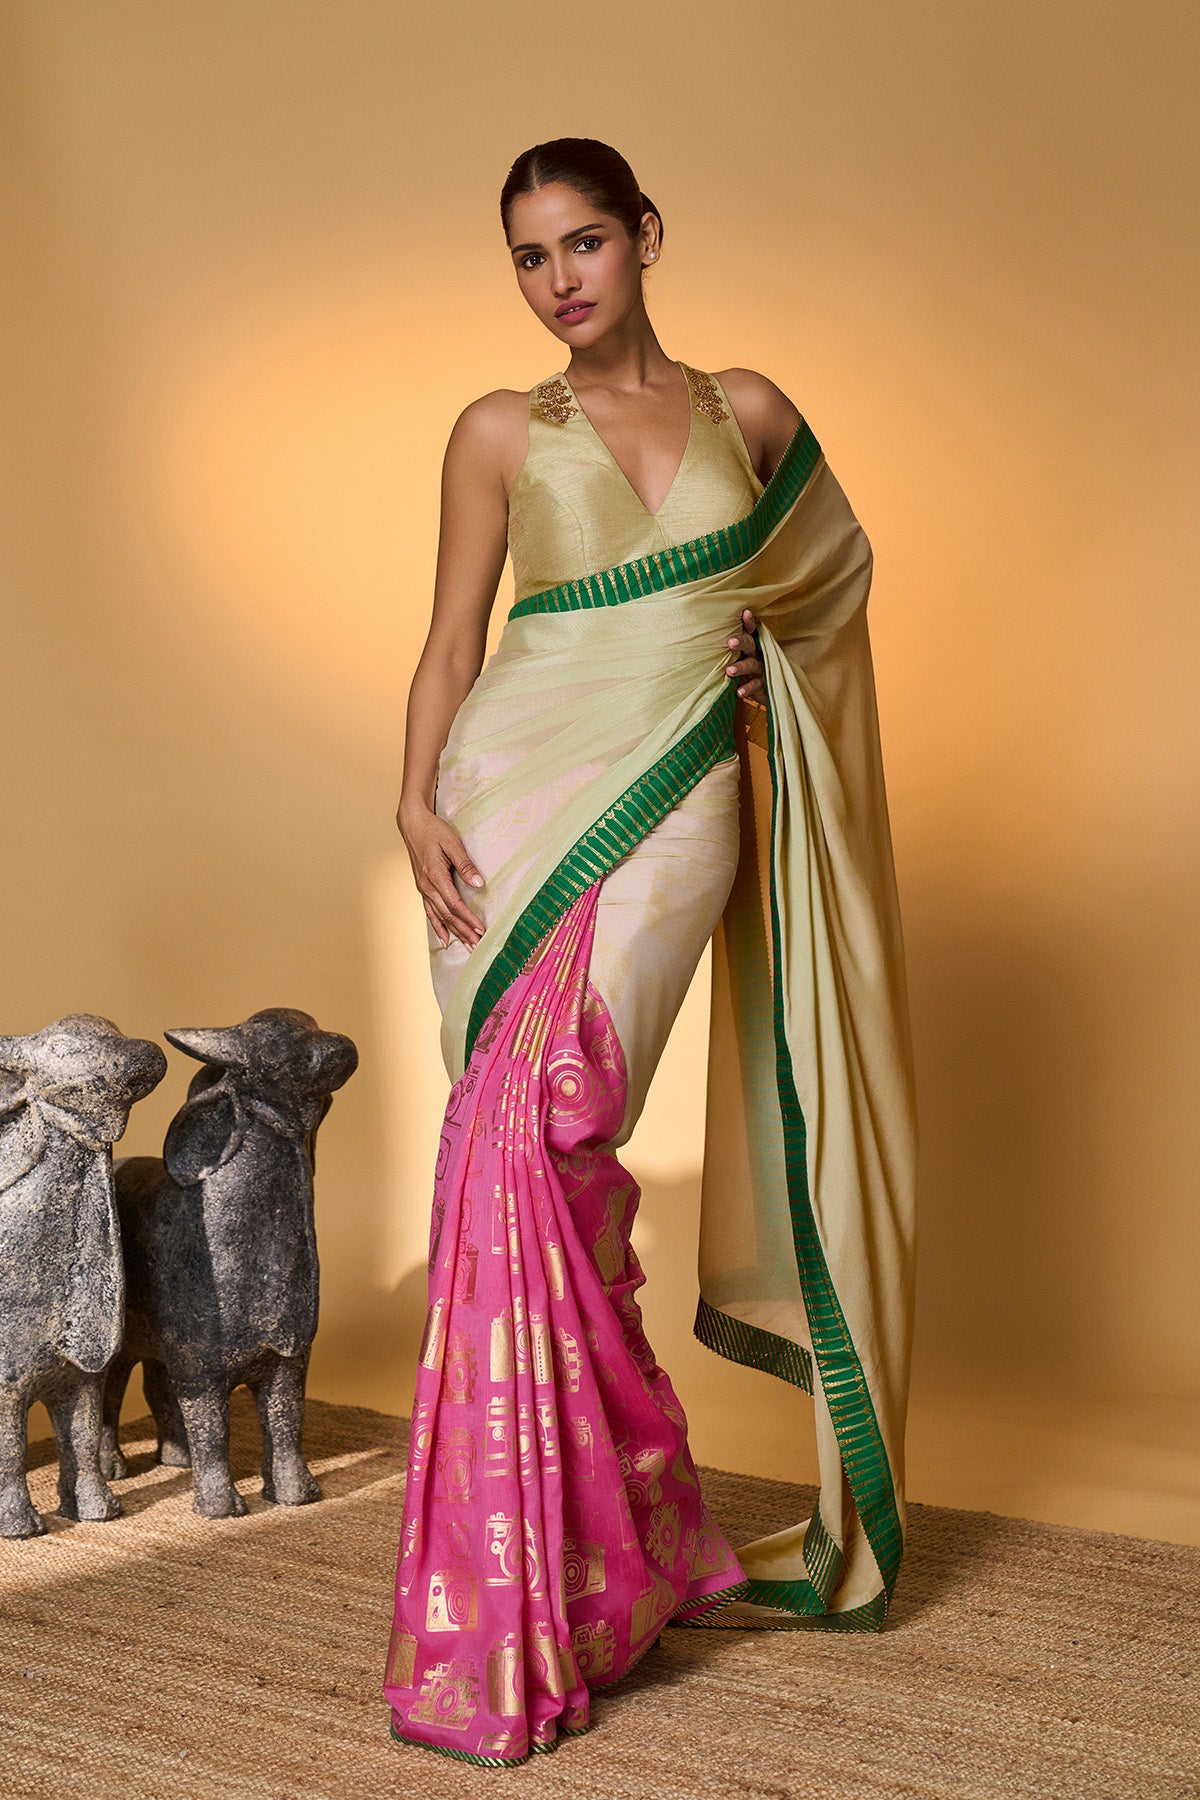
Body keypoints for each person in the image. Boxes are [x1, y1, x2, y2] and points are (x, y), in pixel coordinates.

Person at [384, 136, 918, 1768]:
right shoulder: (495, 429)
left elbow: (830, 586)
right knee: (509, 1153)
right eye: (531, 255)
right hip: (512, 792)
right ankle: (585, 1563)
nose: (560, 279)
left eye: (587, 242)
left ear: (647, 237)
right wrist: (412, 799)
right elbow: (454, 636)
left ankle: (601, 1549)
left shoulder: (749, 411)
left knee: (559, 1122)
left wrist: (767, 663)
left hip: (682, 790)